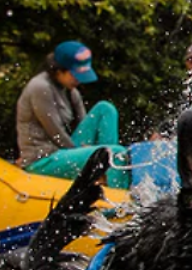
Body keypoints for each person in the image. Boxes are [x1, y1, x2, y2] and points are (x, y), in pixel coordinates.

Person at [16, 40, 122, 179]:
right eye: (75, 75)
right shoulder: (40, 88)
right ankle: (115, 187)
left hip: (65, 152)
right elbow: (56, 133)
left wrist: (88, 151)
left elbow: (84, 125)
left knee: (105, 108)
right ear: (59, 71)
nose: (79, 80)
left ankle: (107, 170)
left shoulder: (70, 91)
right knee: (113, 153)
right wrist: (85, 154)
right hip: (43, 160)